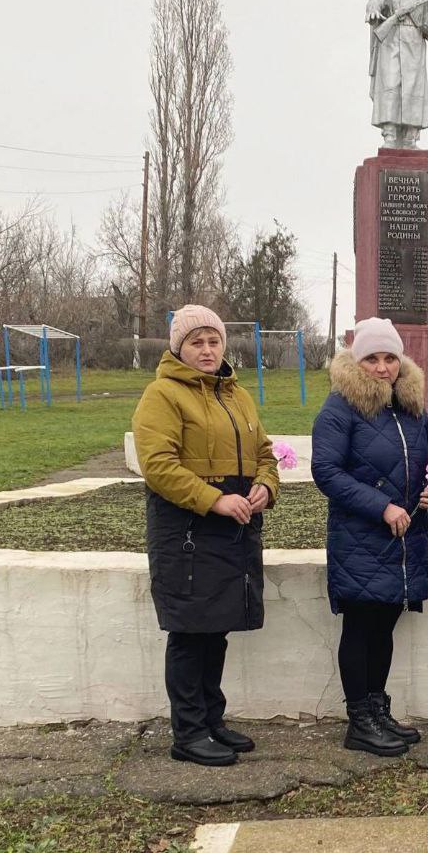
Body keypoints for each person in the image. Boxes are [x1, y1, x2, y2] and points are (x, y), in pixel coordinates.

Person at [131, 304, 280, 767]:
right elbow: (157, 465)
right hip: (188, 530)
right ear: (179, 348)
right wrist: (213, 499)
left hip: (232, 528)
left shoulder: (237, 395)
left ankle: (212, 720)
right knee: (190, 633)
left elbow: (266, 454)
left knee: (215, 631)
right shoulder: (162, 395)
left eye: (213, 341)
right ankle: (189, 732)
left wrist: (264, 487)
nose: (207, 349)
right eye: (197, 342)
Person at [311, 318, 428, 756]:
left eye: (390, 358)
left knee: (384, 623)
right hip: (361, 539)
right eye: (373, 358)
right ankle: (359, 721)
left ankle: (378, 709)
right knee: (362, 625)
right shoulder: (339, 408)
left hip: (405, 540)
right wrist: (380, 506)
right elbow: (326, 471)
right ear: (357, 360)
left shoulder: (411, 408)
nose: (383, 367)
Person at [366, 0, 428, 148]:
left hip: (414, 45)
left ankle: (410, 137)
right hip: (391, 41)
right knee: (391, 85)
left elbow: (427, 20)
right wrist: (373, 10)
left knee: (412, 88)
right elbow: (375, 1)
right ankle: (389, 133)